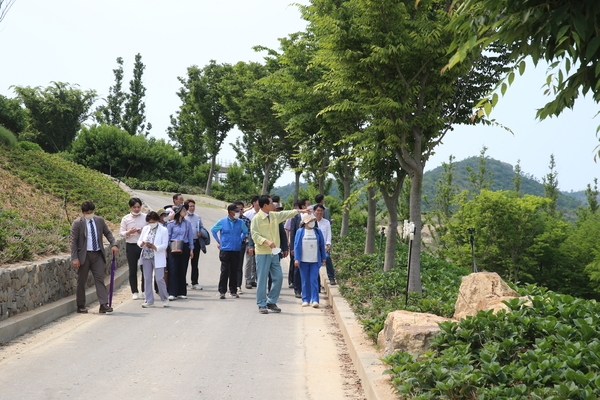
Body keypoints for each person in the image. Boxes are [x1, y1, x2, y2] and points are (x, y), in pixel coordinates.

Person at [251, 195, 309, 314]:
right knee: (262, 279)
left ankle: (271, 301)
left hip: (274, 253)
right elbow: (255, 235)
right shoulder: (256, 219)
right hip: (262, 253)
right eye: (272, 203)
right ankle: (261, 304)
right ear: (265, 205)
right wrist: (266, 241)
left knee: (278, 277)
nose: (274, 205)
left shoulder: (274, 215)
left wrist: (302, 211)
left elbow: (288, 213)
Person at [70, 201, 118, 314]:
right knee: (82, 280)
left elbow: (108, 233)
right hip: (84, 255)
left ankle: (103, 304)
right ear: (83, 212)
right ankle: (81, 305)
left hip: (97, 254)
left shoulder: (99, 221)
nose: (90, 214)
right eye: (87, 212)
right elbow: (73, 242)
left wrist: (114, 244)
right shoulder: (77, 223)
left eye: (91, 212)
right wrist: (75, 258)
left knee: (100, 279)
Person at [211, 204, 248, 299]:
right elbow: (213, 230)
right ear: (230, 212)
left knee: (234, 271)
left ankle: (233, 291)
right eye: (236, 211)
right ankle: (222, 291)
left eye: (238, 211)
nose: (238, 213)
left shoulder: (240, 222)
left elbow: (245, 231)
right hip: (225, 249)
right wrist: (219, 241)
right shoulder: (222, 221)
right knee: (224, 270)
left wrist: (240, 239)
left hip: (236, 249)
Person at [294, 212, 327, 308]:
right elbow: (296, 246)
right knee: (305, 281)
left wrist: (323, 257)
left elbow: (321, 245)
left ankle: (315, 299)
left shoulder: (318, 232)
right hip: (303, 261)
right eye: (310, 220)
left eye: (313, 220)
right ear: (305, 222)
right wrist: (296, 259)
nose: (312, 222)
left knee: (314, 280)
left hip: (315, 260)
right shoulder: (300, 232)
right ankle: (305, 299)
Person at [138, 211, 170, 308]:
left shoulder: (163, 230)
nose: (151, 224)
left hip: (157, 255)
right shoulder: (146, 228)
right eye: (149, 222)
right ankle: (149, 300)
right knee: (147, 278)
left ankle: (164, 298)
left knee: (159, 278)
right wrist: (142, 244)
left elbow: (165, 244)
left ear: (157, 220)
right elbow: (139, 240)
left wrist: (155, 247)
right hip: (146, 256)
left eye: (153, 222)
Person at [119, 197, 147, 300]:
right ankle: (134, 291)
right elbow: (121, 233)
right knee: (132, 269)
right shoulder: (126, 218)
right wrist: (129, 232)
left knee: (145, 269)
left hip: (142, 245)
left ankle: (144, 290)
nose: (136, 209)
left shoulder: (145, 217)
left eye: (138, 207)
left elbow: (149, 230)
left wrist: (142, 231)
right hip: (131, 245)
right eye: (134, 207)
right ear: (130, 207)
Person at [167, 203, 194, 300]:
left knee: (183, 269)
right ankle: (172, 292)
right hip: (173, 246)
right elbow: (168, 237)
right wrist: (167, 249)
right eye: (183, 210)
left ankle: (182, 292)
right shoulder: (171, 224)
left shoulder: (187, 223)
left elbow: (190, 237)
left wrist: (191, 249)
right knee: (173, 269)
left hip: (185, 246)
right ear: (178, 211)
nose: (185, 212)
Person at [288, 199, 308, 297]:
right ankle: (297, 290)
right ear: (303, 207)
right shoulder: (295, 217)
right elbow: (292, 233)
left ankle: (305, 289)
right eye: (307, 204)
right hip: (297, 246)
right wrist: (292, 247)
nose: (309, 206)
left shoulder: (311, 217)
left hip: (308, 247)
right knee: (297, 268)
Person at [314, 204, 336, 285]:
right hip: (313, 247)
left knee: (327, 258)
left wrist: (327, 245)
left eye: (321, 211)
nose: (320, 212)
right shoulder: (311, 222)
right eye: (318, 210)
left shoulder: (326, 222)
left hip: (323, 247)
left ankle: (331, 278)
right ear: (314, 211)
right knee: (315, 264)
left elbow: (328, 234)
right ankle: (316, 281)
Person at [185, 199, 204, 290]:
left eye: (193, 206)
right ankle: (182, 281)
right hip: (186, 243)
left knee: (195, 263)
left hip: (196, 242)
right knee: (184, 263)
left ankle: (195, 282)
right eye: (190, 206)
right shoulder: (184, 217)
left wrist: (201, 233)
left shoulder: (198, 217)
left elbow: (201, 227)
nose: (192, 208)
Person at [243, 195, 260, 289]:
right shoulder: (248, 214)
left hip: (259, 242)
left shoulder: (262, 214)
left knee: (256, 262)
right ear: (253, 203)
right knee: (249, 261)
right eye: (258, 203)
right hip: (249, 241)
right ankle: (248, 280)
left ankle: (254, 279)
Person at [234, 200, 250, 294]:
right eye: (237, 209)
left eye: (241, 209)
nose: (239, 211)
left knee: (239, 266)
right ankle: (230, 285)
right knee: (229, 266)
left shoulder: (246, 220)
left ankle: (238, 286)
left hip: (241, 245)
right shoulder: (228, 219)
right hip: (229, 246)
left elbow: (248, 234)